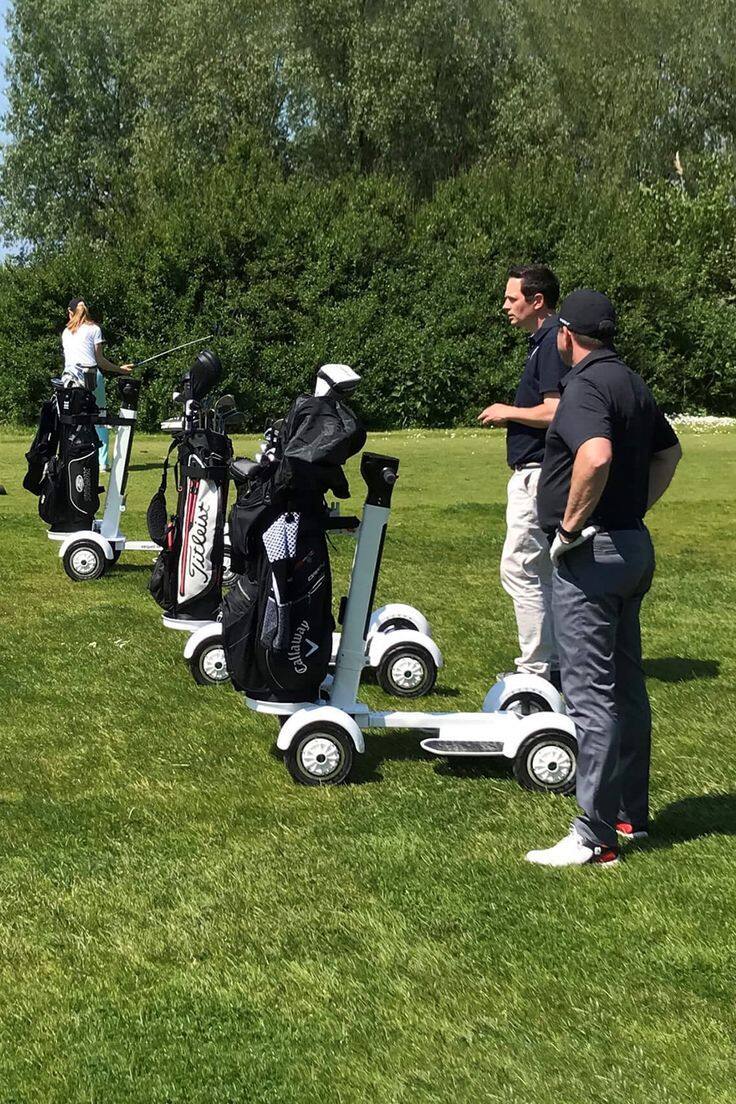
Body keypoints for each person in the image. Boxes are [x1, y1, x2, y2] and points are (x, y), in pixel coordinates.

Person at [525, 289, 682, 868]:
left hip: (591, 554)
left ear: (566, 335)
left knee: (590, 695)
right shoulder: (631, 382)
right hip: (632, 546)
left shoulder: (586, 385)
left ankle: (595, 836)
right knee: (627, 686)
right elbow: (670, 454)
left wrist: (570, 528)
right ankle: (629, 815)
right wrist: (632, 510)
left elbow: (594, 456)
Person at [478, 264, 569, 684]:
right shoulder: (547, 341)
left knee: (520, 568)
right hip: (539, 472)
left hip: (536, 473)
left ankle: (536, 670)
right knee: (542, 571)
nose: (505, 306)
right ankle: (554, 664)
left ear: (537, 301)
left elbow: (554, 411)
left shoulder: (550, 343)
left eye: (511, 298)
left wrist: (508, 411)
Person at [61, 298, 133, 471]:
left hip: (69, 380)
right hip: (92, 377)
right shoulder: (94, 329)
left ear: (70, 312)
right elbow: (100, 361)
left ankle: (74, 456)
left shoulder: (65, 332)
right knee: (100, 416)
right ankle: (102, 462)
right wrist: (121, 370)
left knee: (73, 419)